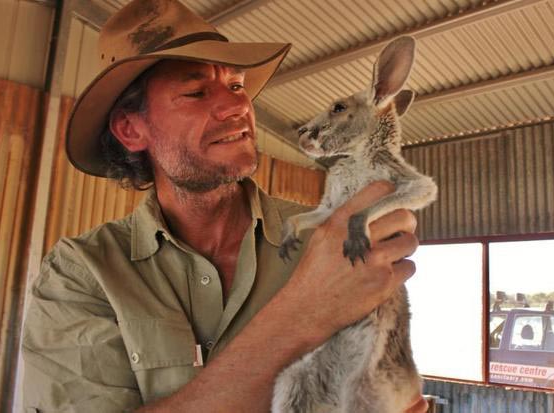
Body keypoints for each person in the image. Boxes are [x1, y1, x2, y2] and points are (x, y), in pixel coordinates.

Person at [21, 1, 427, 412]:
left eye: (236, 86)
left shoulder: (329, 237)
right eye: (196, 92)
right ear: (131, 129)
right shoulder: (80, 275)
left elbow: (392, 396)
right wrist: (303, 315)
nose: (239, 105)